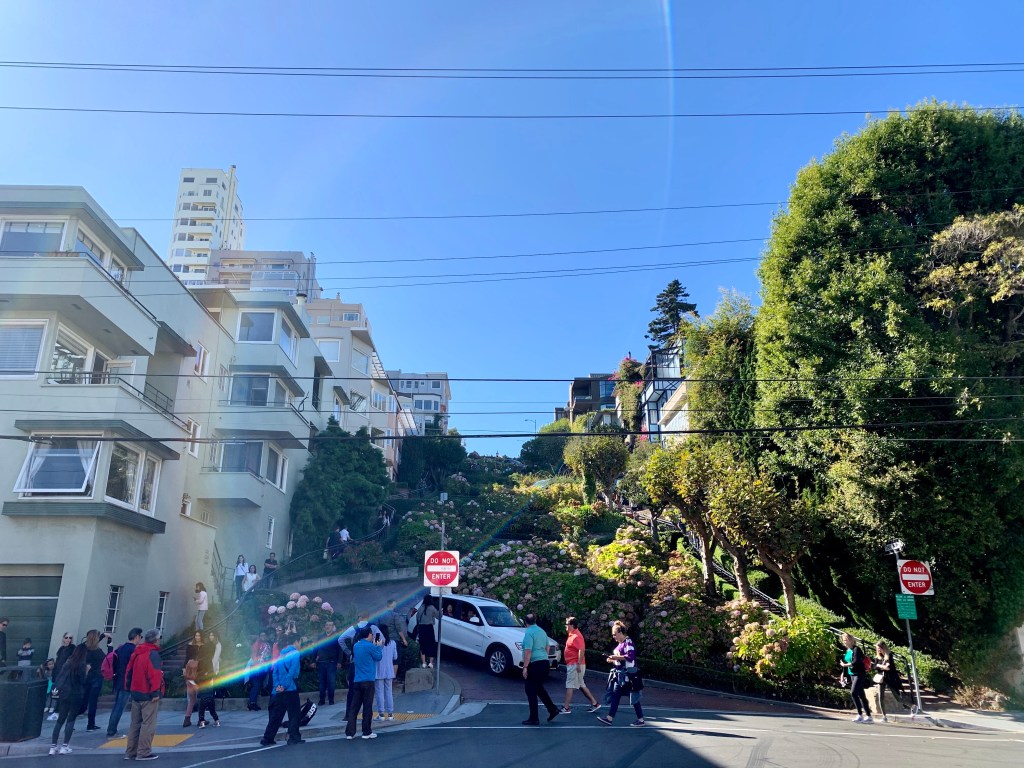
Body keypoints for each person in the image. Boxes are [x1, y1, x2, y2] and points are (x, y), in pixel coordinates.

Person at [124, 628, 164, 762]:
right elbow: (155, 674)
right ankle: (143, 752)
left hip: (135, 691)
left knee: (135, 724)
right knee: (148, 724)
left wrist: (128, 687)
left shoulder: (137, 652)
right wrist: (155, 692)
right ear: (156, 640)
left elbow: (129, 670)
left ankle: (130, 752)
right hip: (147, 693)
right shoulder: (152, 654)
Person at [596, 621, 646, 727]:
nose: (613, 637)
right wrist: (612, 660)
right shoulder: (622, 643)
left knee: (632, 697)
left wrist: (615, 657)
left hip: (627, 676)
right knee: (618, 696)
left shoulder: (628, 642)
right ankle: (610, 718)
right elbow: (623, 659)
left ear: (620, 632)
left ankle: (639, 719)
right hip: (621, 675)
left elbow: (630, 657)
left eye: (614, 634)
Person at [259, 632, 304, 746]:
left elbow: (275, 672)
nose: (300, 645)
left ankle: (267, 738)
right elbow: (292, 672)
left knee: (276, 716)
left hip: (278, 691)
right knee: (294, 714)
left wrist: (278, 686)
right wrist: (284, 686)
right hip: (290, 689)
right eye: (300, 642)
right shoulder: (295, 654)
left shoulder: (281, 654)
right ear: (296, 642)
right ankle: (293, 737)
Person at [339, 613, 380, 718]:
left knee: (352, 690)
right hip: (368, 663)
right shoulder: (373, 627)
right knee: (368, 695)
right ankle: (367, 718)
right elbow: (381, 639)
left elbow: (340, 639)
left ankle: (349, 715)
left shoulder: (353, 628)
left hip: (354, 662)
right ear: (368, 617)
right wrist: (376, 648)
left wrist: (348, 652)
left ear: (359, 618)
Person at [520, 613, 559, 726]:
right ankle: (552, 709)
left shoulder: (529, 633)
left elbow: (528, 651)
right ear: (535, 620)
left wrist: (525, 667)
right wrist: (543, 657)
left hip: (535, 664)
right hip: (544, 662)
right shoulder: (542, 631)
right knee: (538, 688)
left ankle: (534, 718)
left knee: (530, 689)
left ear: (525, 622)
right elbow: (547, 647)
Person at [49, 642, 87, 755]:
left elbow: (60, 676)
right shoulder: (81, 664)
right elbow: (83, 681)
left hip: (64, 693)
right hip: (75, 694)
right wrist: (87, 671)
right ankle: (64, 746)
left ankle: (53, 747)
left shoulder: (68, 662)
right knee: (71, 720)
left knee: (60, 719)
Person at [345, 626, 382, 740]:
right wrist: (378, 646)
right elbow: (378, 657)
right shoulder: (370, 646)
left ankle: (350, 732)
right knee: (367, 706)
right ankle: (366, 731)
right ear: (369, 635)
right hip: (368, 680)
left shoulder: (356, 646)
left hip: (358, 679)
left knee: (354, 707)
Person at [106, 627, 143, 738]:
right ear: (136, 637)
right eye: (140, 637)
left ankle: (111, 729)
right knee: (119, 707)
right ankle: (112, 731)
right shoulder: (134, 650)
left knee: (116, 706)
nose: (141, 639)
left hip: (118, 680)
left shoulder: (121, 648)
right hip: (127, 682)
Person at [561, 616, 601, 714]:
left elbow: (581, 650)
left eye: (567, 624)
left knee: (570, 685)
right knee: (580, 685)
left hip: (575, 664)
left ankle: (566, 707)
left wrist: (578, 663)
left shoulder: (576, 636)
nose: (566, 626)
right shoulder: (572, 635)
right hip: (574, 664)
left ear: (572, 625)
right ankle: (595, 703)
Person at [840, 632, 873, 723]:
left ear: (851, 640)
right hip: (852, 674)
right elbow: (845, 663)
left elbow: (856, 662)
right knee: (861, 695)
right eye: (843, 640)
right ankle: (868, 716)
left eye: (846, 640)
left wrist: (845, 665)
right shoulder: (848, 651)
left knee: (853, 693)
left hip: (859, 673)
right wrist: (843, 675)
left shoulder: (856, 649)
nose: (845, 642)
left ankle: (860, 714)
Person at [79, 629, 107, 731]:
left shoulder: (84, 649)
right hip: (96, 677)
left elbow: (91, 643)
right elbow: (107, 659)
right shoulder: (98, 652)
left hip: (86, 677)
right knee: (93, 702)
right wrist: (110, 646)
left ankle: (70, 719)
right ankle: (91, 724)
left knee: (84, 701)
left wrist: (102, 636)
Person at [872, 641, 907, 722]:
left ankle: (913, 706)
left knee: (897, 698)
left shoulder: (889, 656)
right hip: (881, 679)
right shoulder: (878, 657)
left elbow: (888, 668)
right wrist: (881, 666)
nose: (878, 650)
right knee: (881, 697)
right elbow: (874, 666)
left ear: (884, 648)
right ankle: (884, 716)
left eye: (880, 648)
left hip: (890, 679)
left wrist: (879, 666)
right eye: (877, 649)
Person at [49, 631, 75, 720]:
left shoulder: (72, 648)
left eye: (70, 638)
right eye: (66, 637)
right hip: (58, 673)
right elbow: (57, 662)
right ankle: (56, 710)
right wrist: (54, 674)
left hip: (66, 674)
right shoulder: (61, 649)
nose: (68, 639)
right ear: (63, 638)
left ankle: (60, 711)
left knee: (64, 693)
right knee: (57, 692)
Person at [314, 620, 341, 706]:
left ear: (333, 627)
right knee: (322, 683)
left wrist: (339, 662)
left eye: (330, 625)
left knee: (331, 682)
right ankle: (321, 700)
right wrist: (313, 660)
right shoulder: (320, 637)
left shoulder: (336, 637)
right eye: (326, 625)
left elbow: (340, 650)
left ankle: (331, 700)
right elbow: (315, 648)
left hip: (331, 663)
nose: (328, 626)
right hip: (321, 662)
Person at [375, 626, 398, 721]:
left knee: (379, 692)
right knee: (389, 692)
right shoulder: (393, 643)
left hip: (378, 670)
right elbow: (395, 657)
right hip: (389, 670)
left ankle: (381, 714)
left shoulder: (377, 642)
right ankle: (390, 714)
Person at [248, 631, 272, 711]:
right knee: (256, 685)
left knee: (259, 684)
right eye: (261, 635)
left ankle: (253, 702)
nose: (263, 637)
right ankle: (252, 703)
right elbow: (254, 655)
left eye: (264, 635)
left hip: (263, 668)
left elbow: (268, 656)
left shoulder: (267, 645)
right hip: (256, 667)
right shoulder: (256, 644)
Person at [416, 596, 439, 669]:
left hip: (422, 628)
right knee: (431, 644)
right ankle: (431, 663)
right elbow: (438, 616)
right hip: (429, 628)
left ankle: (423, 663)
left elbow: (417, 617)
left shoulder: (420, 608)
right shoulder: (432, 607)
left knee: (423, 645)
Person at [182, 659, 200, 727]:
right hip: (197, 682)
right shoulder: (199, 662)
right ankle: (201, 719)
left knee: (191, 701)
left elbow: (185, 672)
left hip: (189, 681)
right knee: (201, 700)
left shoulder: (189, 662)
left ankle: (187, 719)